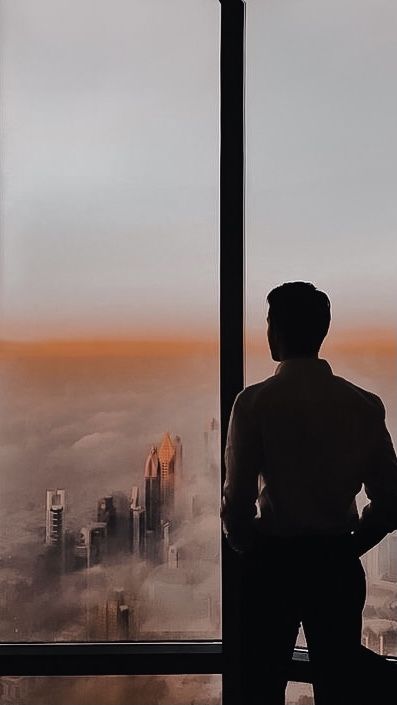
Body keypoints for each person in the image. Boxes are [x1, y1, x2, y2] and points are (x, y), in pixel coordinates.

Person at [221, 281, 397, 705]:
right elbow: (391, 501)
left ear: (277, 330)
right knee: (339, 687)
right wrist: (350, 544)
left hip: (271, 568)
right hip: (334, 565)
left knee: (259, 688)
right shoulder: (364, 405)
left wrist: (254, 550)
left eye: (267, 323)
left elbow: (238, 507)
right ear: (322, 330)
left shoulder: (253, 405)